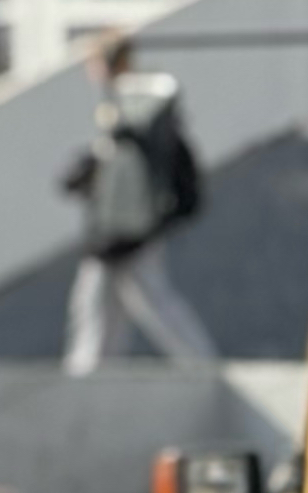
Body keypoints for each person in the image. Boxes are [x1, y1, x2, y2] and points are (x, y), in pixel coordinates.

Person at [59, 34, 216, 373]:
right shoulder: (125, 103)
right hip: (118, 230)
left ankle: (201, 366)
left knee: (144, 300)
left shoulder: (139, 103)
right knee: (102, 306)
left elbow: (131, 160)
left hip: (128, 228)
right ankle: (89, 372)